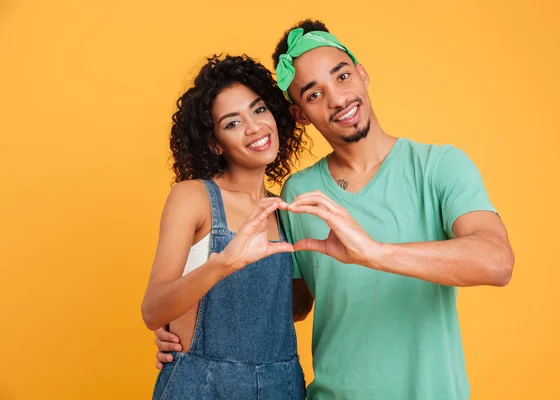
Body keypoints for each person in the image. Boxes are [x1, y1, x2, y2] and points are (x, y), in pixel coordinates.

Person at [155, 20, 515, 400]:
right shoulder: (298, 193)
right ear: (300, 115)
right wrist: (186, 332)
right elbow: (288, 303)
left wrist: (374, 253)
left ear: (362, 73)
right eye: (314, 95)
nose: (338, 99)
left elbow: (496, 261)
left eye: (342, 76)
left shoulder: (438, 166)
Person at [141, 54, 307, 399]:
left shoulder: (287, 207)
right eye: (232, 123)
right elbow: (153, 309)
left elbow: (293, 309)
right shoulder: (194, 198)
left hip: (282, 385)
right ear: (215, 143)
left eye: (259, 110)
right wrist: (224, 263)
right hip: (202, 383)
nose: (255, 127)